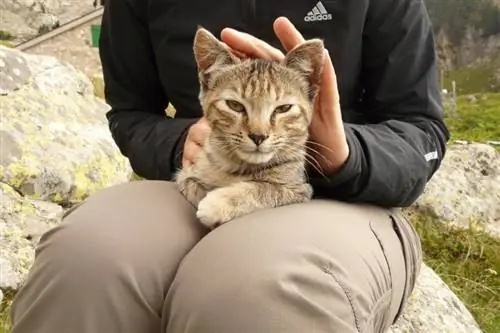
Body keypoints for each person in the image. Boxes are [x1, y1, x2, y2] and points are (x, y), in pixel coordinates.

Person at [10, 0, 449, 332]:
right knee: (85, 259)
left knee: (257, 288)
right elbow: (129, 110)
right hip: (201, 178)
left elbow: (422, 129)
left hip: (343, 196)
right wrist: (180, 141)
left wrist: (344, 151)